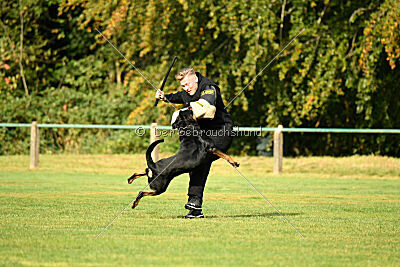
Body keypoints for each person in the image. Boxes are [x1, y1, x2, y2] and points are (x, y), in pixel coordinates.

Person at [155, 68, 233, 218]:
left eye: (187, 84)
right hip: (205, 134)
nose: (186, 88)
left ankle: (195, 201)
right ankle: (195, 207)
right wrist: (164, 97)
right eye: (183, 86)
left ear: (195, 79)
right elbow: (180, 96)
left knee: (199, 160)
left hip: (221, 133)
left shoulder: (209, 88)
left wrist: (179, 113)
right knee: (196, 162)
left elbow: (207, 107)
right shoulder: (189, 91)